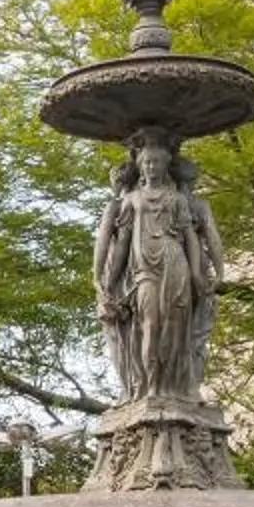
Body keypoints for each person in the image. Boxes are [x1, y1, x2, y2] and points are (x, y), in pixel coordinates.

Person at [93, 127, 222, 403]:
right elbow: (122, 243)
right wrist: (107, 280)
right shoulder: (131, 200)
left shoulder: (177, 199)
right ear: (141, 166)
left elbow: (190, 238)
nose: (152, 167)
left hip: (175, 263)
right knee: (149, 325)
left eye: (157, 162)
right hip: (144, 270)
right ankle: (150, 387)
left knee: (175, 327)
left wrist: (197, 273)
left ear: (165, 166)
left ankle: (175, 387)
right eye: (148, 162)